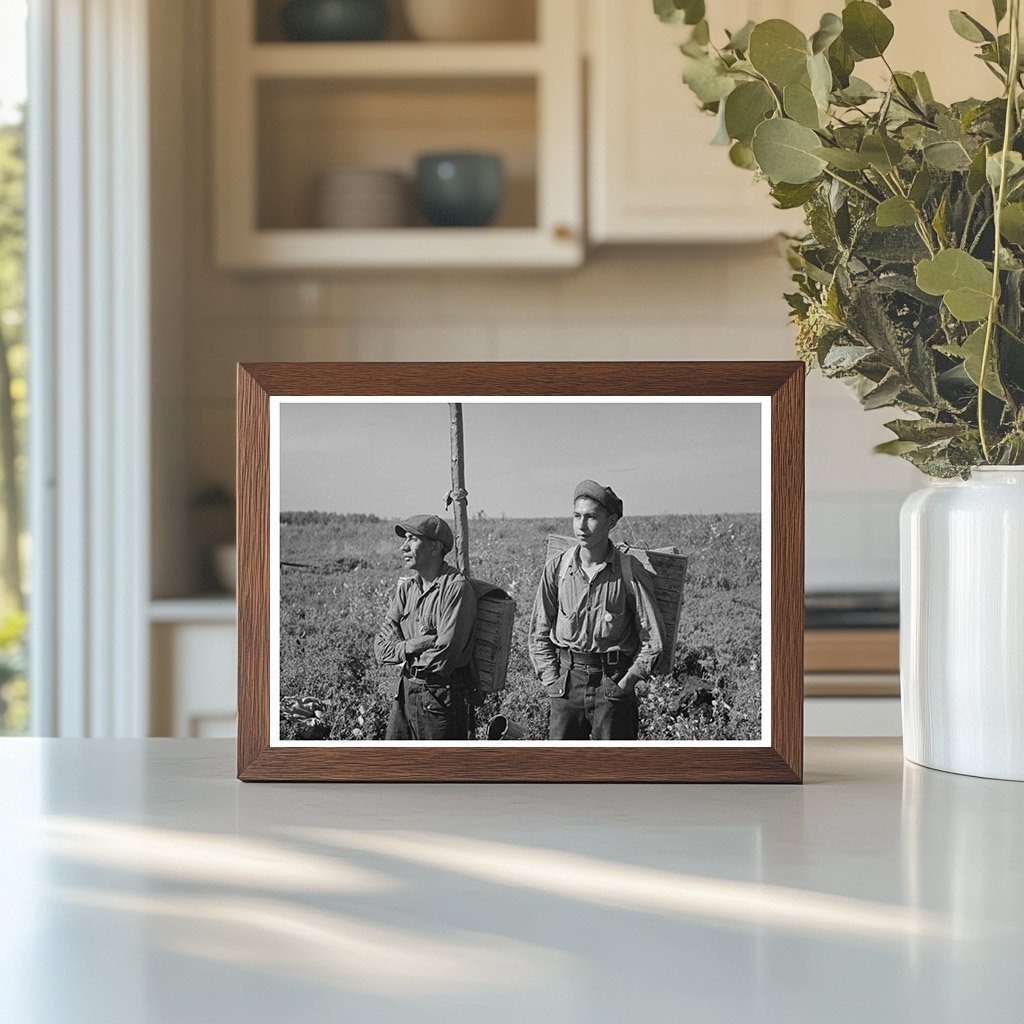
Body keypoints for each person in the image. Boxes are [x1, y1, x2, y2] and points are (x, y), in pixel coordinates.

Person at [528, 480, 666, 741]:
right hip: (566, 685)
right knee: (563, 773)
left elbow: (653, 639)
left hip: (612, 684)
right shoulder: (558, 568)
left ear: (611, 521)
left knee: (615, 774)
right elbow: (538, 632)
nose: (581, 526)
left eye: (591, 517)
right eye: (576, 516)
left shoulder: (628, 570)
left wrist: (627, 682)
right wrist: (551, 681)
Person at [374, 514, 477, 740]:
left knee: (438, 770)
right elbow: (380, 648)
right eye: (405, 540)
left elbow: (444, 657)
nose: (404, 547)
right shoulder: (407, 589)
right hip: (405, 690)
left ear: (435, 547)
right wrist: (416, 644)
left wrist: (400, 647)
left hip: (439, 696)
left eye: (412, 539)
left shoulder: (455, 589)